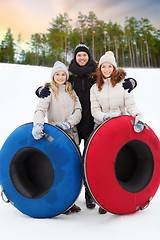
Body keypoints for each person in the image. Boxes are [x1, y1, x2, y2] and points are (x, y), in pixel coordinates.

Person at [35, 43, 138, 210]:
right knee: (72, 163)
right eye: (78, 55)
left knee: (94, 162)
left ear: (89, 57)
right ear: (74, 58)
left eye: (84, 55)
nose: (82, 58)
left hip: (94, 123)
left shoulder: (95, 73)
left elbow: (113, 79)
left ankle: (91, 196)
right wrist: (41, 90)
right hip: (73, 126)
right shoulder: (70, 76)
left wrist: (132, 81)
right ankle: (69, 199)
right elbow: (57, 85)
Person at [90, 51, 144, 214]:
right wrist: (104, 117)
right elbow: (94, 109)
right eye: (103, 66)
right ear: (100, 68)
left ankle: (119, 197)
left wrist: (137, 115)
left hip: (120, 128)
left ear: (114, 67)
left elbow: (130, 104)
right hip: (101, 127)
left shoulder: (123, 84)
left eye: (110, 66)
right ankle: (102, 200)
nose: (106, 69)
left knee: (118, 161)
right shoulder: (95, 87)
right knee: (101, 165)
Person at [32, 61, 82, 214]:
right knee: (58, 170)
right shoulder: (48, 92)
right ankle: (61, 203)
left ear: (66, 76)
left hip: (71, 135)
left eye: (63, 74)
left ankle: (71, 202)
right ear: (53, 76)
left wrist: (68, 123)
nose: (60, 77)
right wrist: (38, 124)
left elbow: (78, 111)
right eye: (57, 74)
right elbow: (40, 109)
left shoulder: (71, 92)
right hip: (55, 137)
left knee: (73, 171)